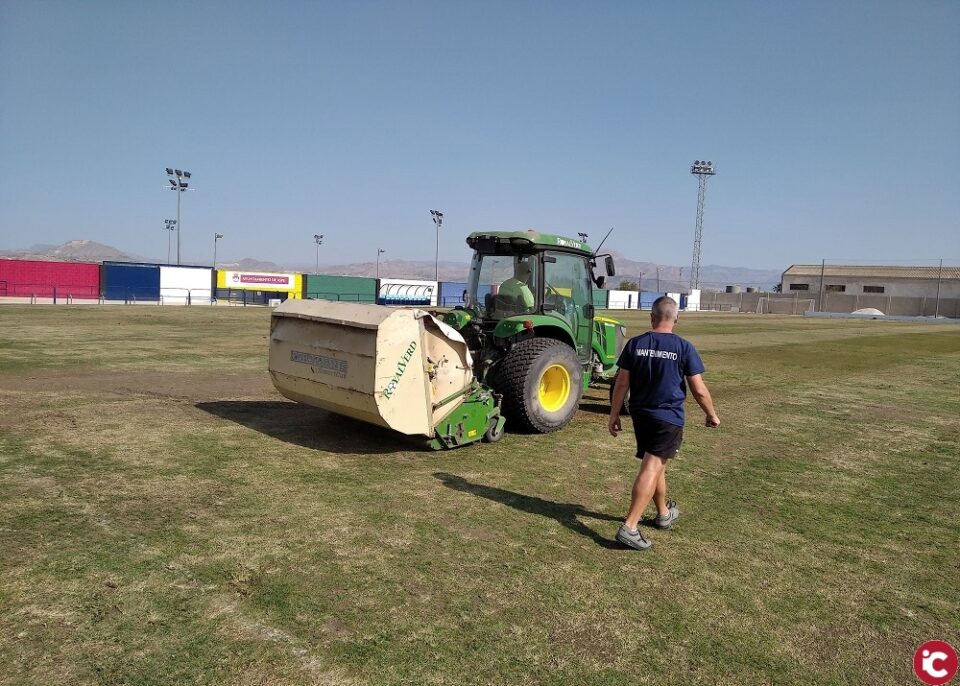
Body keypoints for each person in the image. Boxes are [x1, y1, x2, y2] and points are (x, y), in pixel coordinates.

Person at [607, 295, 720, 551]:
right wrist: (711, 414)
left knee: (656, 463)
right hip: (667, 417)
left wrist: (614, 413)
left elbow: (622, 383)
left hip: (641, 414)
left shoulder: (635, 343)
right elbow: (699, 390)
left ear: (652, 317)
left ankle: (663, 513)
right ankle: (630, 526)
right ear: (676, 319)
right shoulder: (683, 347)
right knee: (653, 464)